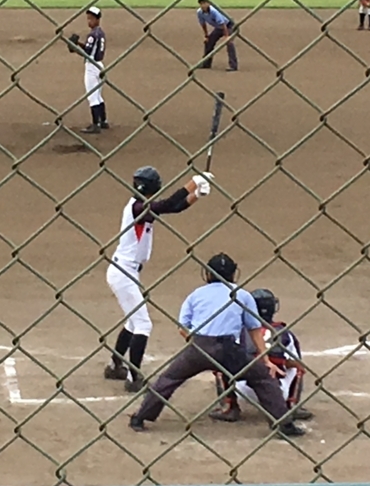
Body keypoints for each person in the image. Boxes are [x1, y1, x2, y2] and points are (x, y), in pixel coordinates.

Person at [128, 253, 307, 438]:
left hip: (199, 346)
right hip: (229, 350)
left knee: (168, 379)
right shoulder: (242, 295)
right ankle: (283, 424)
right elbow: (254, 329)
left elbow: (182, 326)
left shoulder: (196, 294)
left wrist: (197, 342)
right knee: (262, 378)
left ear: (208, 274)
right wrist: (265, 359)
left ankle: (140, 418)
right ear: (233, 273)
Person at [105, 166, 212, 393]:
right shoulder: (136, 207)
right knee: (143, 324)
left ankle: (115, 366)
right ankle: (134, 378)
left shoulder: (141, 206)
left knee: (133, 322)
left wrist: (197, 195)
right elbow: (166, 205)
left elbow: (173, 207)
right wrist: (192, 182)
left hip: (127, 272)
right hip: (123, 272)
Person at [209, 288, 313, 423]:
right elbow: (297, 363)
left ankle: (229, 407)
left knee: (220, 365)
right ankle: (291, 405)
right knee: (297, 368)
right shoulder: (284, 333)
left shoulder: (236, 331)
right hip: (277, 391)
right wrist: (277, 362)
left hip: (243, 388)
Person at [67, 6, 108, 134]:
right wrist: (78, 44)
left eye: (91, 19)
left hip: (91, 67)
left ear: (97, 19)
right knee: (98, 96)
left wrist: (74, 48)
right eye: (88, 19)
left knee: (92, 97)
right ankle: (103, 121)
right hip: (100, 65)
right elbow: (90, 49)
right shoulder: (100, 33)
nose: (89, 21)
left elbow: (87, 53)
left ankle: (95, 125)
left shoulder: (92, 35)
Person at [196, 0, 238, 71]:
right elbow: (203, 24)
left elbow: (223, 23)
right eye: (201, 3)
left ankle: (233, 66)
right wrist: (206, 35)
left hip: (228, 25)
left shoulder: (214, 11)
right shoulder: (199, 12)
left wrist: (226, 36)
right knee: (209, 42)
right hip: (219, 27)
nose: (203, 5)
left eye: (204, 3)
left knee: (229, 43)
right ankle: (206, 63)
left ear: (208, 3)